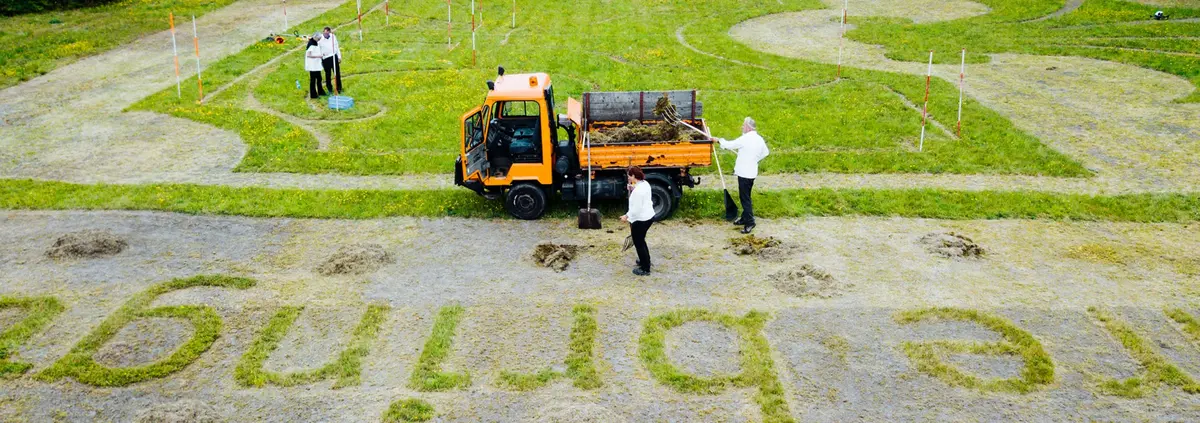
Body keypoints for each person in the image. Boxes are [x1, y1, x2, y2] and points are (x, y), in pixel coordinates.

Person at [712, 117, 769, 234]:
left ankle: (750, 222)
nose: (742, 127)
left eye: (743, 125)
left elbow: (730, 144)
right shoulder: (759, 139)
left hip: (745, 174)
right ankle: (744, 218)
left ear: (748, 127)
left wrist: (718, 140)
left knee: (745, 199)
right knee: (746, 196)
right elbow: (765, 152)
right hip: (751, 173)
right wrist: (754, 159)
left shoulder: (746, 139)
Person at [620, 166, 655, 276]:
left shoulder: (638, 191)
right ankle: (645, 260)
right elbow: (639, 194)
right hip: (649, 217)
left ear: (634, 176)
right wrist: (632, 188)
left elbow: (636, 209)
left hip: (641, 220)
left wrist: (626, 216)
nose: (628, 178)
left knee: (639, 243)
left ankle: (645, 268)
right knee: (641, 240)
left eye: (629, 176)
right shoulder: (645, 184)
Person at [320, 27, 343, 94]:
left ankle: (339, 88)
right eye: (325, 33)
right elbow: (318, 49)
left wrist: (339, 56)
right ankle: (329, 88)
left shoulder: (333, 37)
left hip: (333, 56)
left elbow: (336, 46)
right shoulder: (320, 39)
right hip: (325, 58)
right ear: (323, 32)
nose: (327, 34)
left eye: (328, 33)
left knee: (337, 73)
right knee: (328, 74)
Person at [304, 33, 327, 99]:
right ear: (315, 37)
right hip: (312, 65)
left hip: (316, 65)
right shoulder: (311, 44)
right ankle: (313, 94)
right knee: (313, 80)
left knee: (319, 78)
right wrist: (318, 56)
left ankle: (320, 91)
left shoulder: (315, 42)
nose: (319, 40)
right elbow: (308, 55)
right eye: (319, 39)